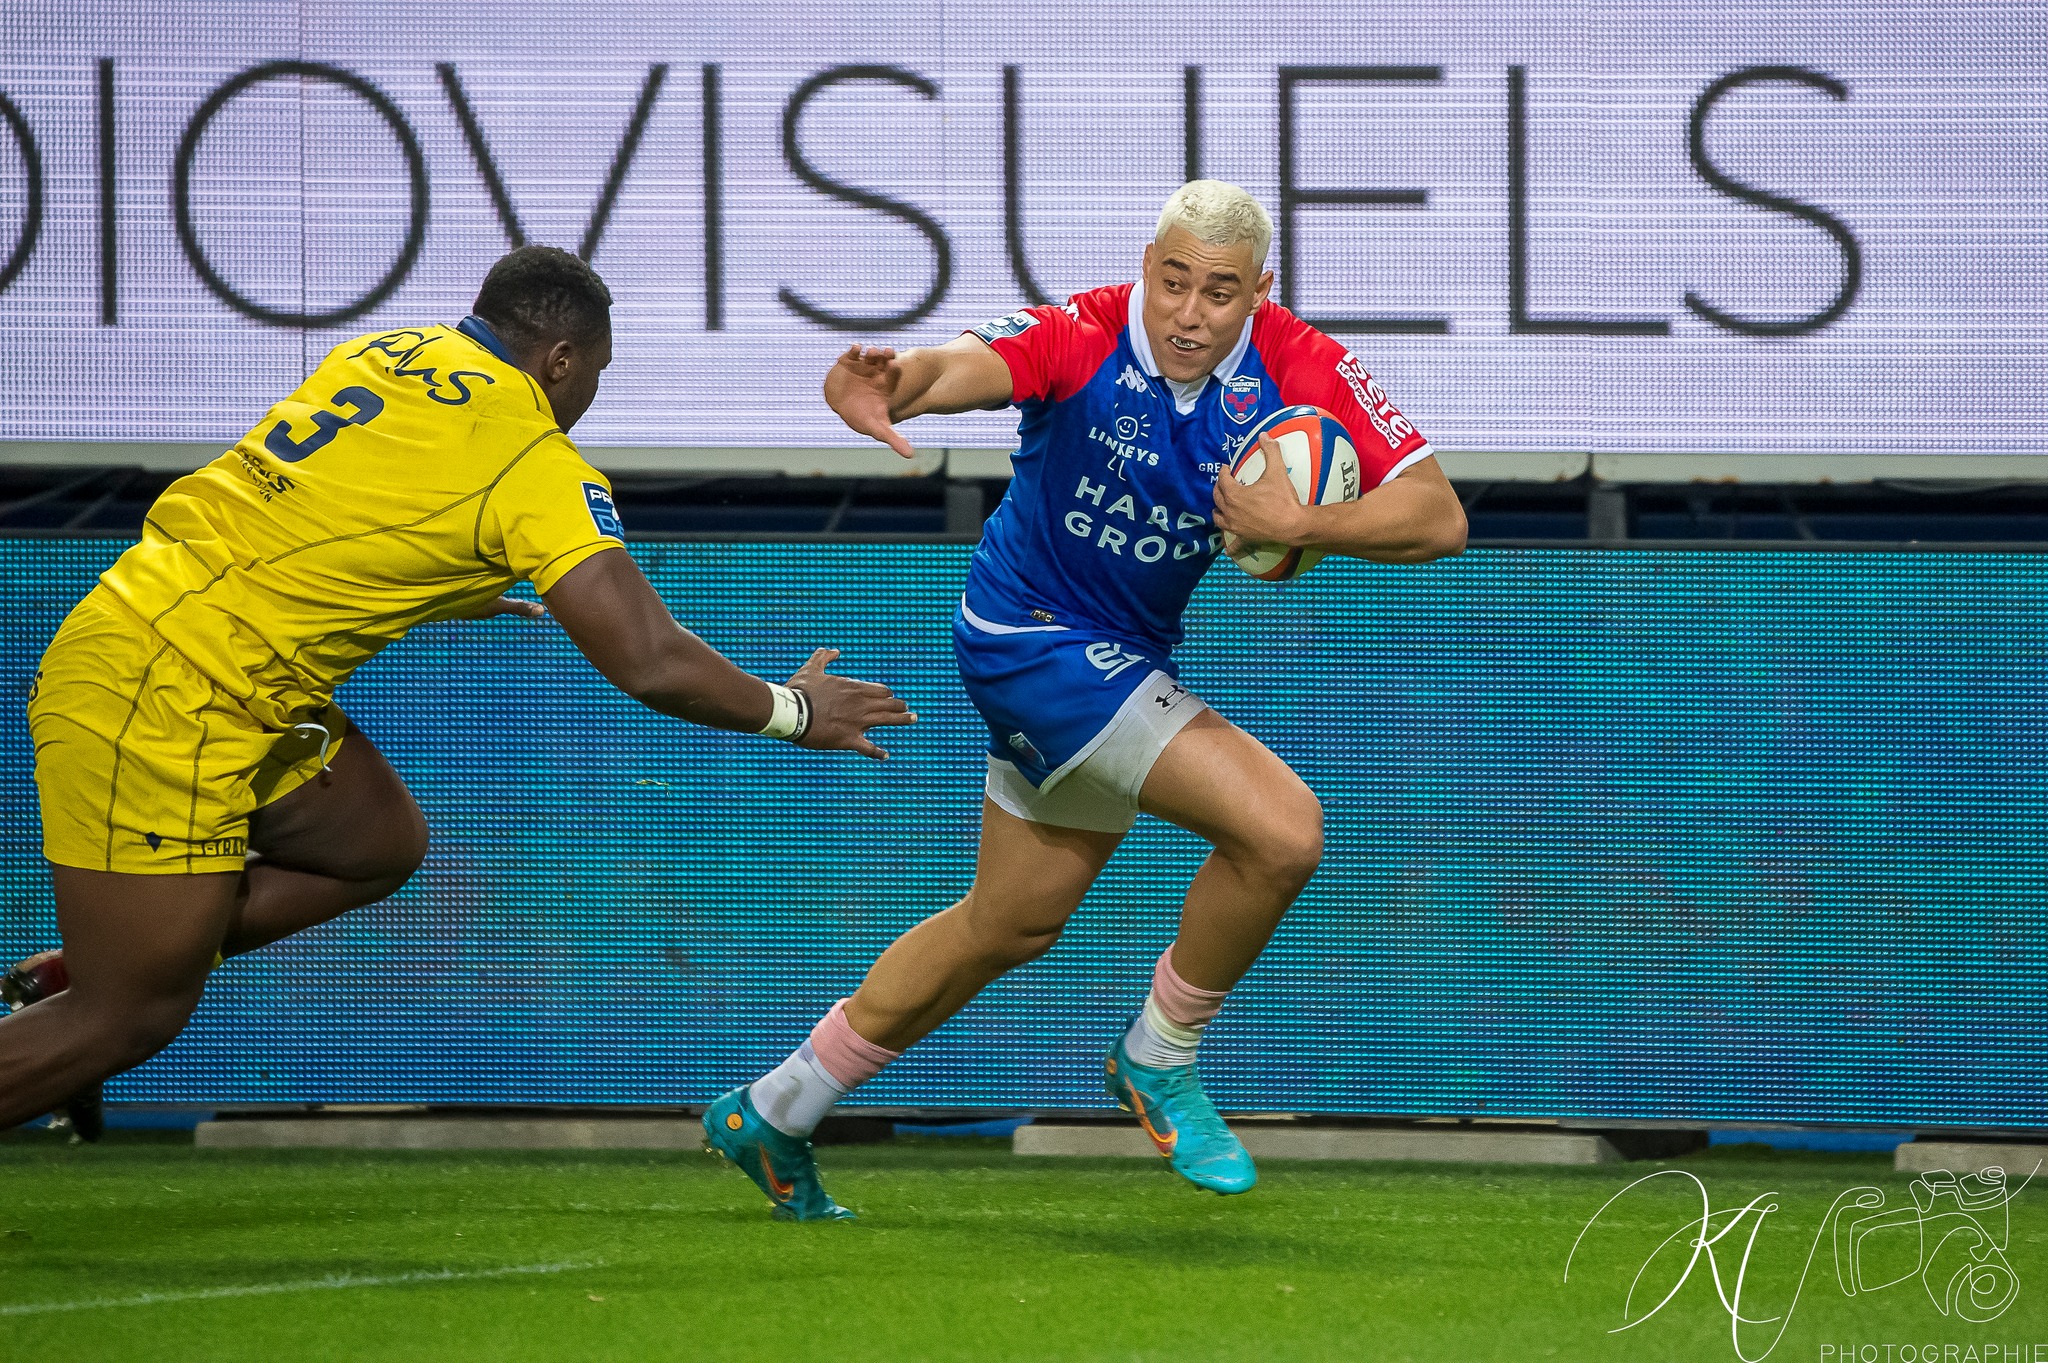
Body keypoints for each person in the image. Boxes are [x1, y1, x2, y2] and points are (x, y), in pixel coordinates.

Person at [0, 245, 913, 1137]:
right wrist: (794, 711)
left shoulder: (387, 352)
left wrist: (459, 588)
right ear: (559, 359)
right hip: (169, 694)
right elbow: (649, 659)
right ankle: (99, 990)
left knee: (374, 842)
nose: (590, 397)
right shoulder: (531, 460)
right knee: (135, 1017)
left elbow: (338, 501)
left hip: (178, 649)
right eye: (596, 372)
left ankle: (84, 976)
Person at [703, 181, 1466, 1219]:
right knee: (1282, 831)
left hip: (1121, 656)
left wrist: (1306, 521)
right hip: (1027, 640)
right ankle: (1158, 1056)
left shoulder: (1301, 364)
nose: (1189, 313)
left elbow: (1436, 516)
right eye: (1172, 282)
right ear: (1145, 267)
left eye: (1220, 292)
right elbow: (965, 367)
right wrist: (901, 384)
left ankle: (775, 1106)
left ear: (1259, 293)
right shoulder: (1085, 328)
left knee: (1008, 923)